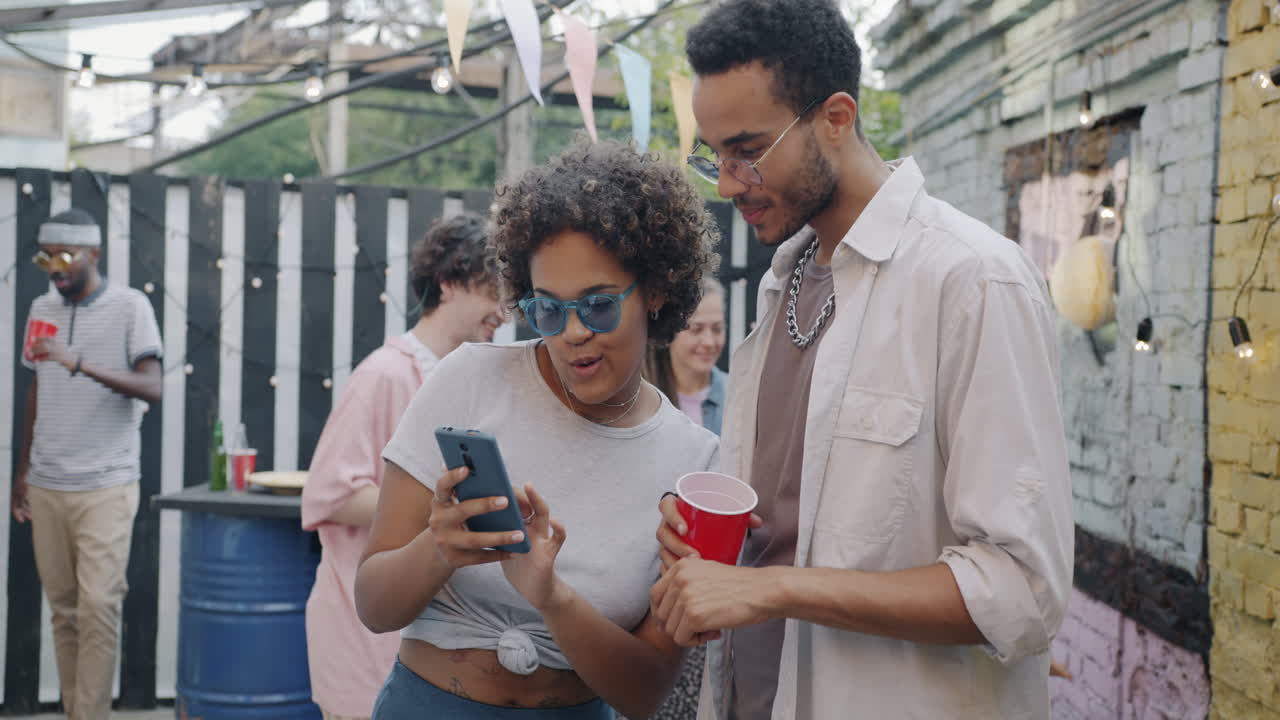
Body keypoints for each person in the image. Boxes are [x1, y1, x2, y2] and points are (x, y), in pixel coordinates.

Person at [649, 2, 1074, 719]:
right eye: (713, 156)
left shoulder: (972, 281)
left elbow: (1023, 589)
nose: (725, 184)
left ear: (837, 118)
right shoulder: (781, 283)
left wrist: (777, 588)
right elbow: (782, 520)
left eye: (747, 150)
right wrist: (696, 530)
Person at [354, 140, 722, 720]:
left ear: (655, 291)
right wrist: (438, 549)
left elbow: (647, 692)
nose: (572, 332)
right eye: (547, 309)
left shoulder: (692, 456)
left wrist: (550, 597)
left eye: (598, 306)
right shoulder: (472, 379)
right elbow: (373, 604)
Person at [301, 212, 504, 720]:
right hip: (361, 629)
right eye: (493, 291)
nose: (504, 311)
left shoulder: (472, 380)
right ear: (451, 282)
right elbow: (329, 492)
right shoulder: (384, 374)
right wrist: (441, 505)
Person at [12, 208, 163, 720]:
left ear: (94, 254)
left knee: (98, 607)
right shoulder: (41, 306)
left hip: (106, 484)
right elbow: (38, 387)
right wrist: (22, 470)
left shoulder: (130, 307)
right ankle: (78, 710)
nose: (54, 269)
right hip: (49, 483)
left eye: (64, 257)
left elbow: (153, 386)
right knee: (64, 611)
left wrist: (77, 361)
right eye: (45, 257)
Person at [645, 278, 729, 435]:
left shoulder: (740, 395)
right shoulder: (643, 401)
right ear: (669, 331)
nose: (709, 342)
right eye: (697, 329)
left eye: (717, 329)